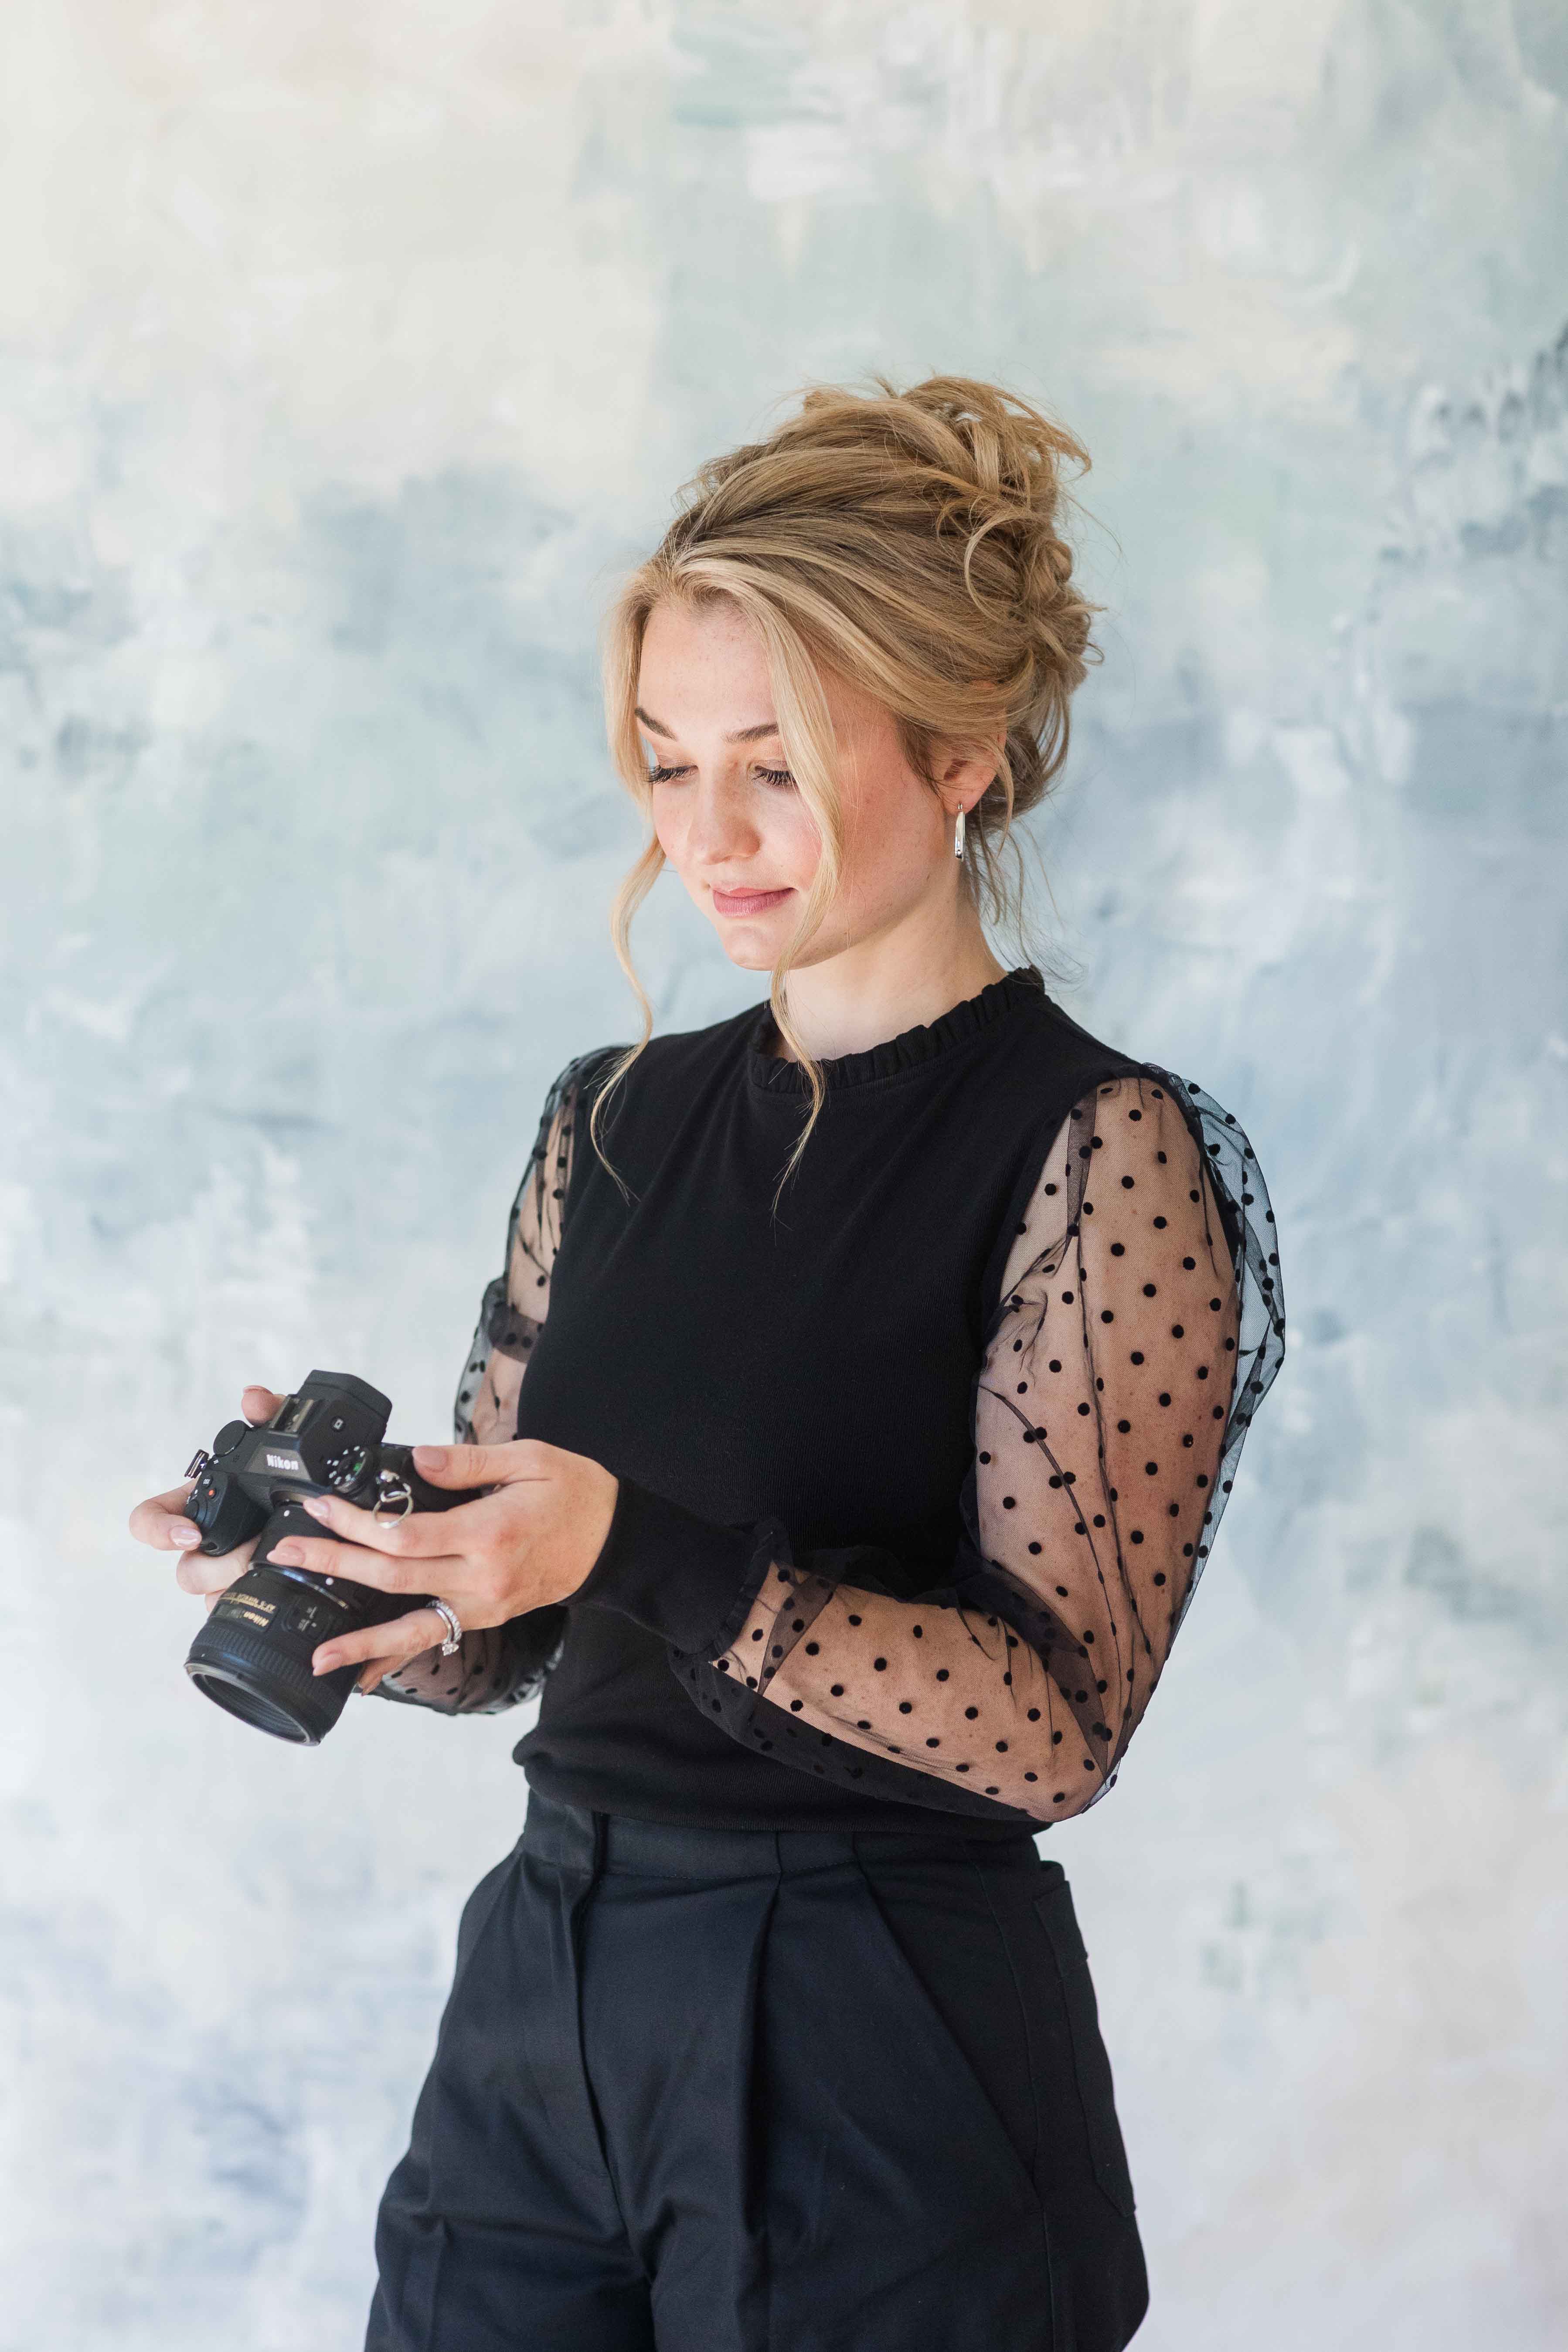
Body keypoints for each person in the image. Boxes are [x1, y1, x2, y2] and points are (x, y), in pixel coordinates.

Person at [133, 376, 1286, 2351]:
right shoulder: (611, 1116)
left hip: (881, 2038)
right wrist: (354, 1563)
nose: (709, 835)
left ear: (963, 753)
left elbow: (1056, 1726)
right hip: (544, 1989)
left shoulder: (1099, 1150)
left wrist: (630, 1540)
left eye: (778, 765)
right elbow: (512, 1632)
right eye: (669, 765)